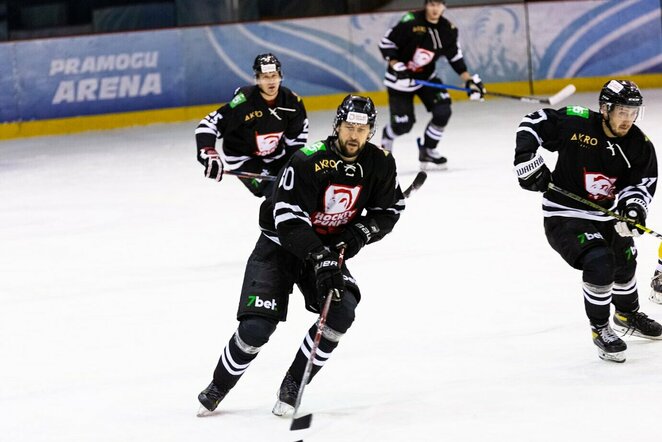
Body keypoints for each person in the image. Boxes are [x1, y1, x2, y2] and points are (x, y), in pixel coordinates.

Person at [197, 95, 405, 416]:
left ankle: (294, 382)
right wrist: (320, 256)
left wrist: (357, 234)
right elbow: (288, 219)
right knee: (256, 328)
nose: (354, 135)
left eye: (361, 129)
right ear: (337, 125)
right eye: (349, 126)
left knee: (341, 312)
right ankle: (220, 384)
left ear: (371, 131)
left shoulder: (380, 163)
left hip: (323, 250)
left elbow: (387, 211)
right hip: (279, 246)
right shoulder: (307, 160)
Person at [514, 79, 662, 363]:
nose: (628, 120)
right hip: (565, 213)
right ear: (605, 109)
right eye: (622, 112)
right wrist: (525, 159)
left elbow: (642, 184)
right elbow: (533, 121)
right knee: (600, 261)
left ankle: (626, 314)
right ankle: (600, 329)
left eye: (633, 113)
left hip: (607, 214)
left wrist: (633, 210)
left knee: (625, 258)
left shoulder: (639, 145)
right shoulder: (576, 122)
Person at [378, 0, 485, 169]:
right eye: (431, 4)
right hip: (400, 81)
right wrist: (397, 66)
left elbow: (455, 57)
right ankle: (388, 134)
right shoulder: (410, 20)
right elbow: (386, 44)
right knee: (402, 126)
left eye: (439, 4)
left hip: (426, 78)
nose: (435, 9)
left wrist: (469, 80)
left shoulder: (448, 30)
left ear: (444, 6)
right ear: (426, 5)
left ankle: (428, 150)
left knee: (443, 111)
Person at [195, 53, 308, 197]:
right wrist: (209, 153)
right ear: (257, 79)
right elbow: (208, 124)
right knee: (277, 193)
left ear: (280, 76)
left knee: (300, 190)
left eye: (273, 75)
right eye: (265, 77)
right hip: (244, 158)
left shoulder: (292, 102)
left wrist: (294, 167)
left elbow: (296, 140)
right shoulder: (244, 101)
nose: (271, 81)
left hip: (277, 155)